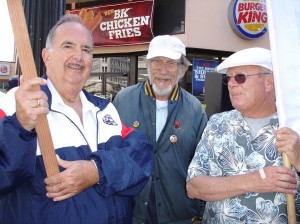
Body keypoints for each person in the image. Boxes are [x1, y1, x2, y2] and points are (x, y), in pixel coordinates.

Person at [0, 14, 153, 224]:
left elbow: (141, 157)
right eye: (68, 46)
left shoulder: (105, 109)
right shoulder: (13, 105)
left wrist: (97, 171)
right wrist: (20, 127)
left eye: (86, 49)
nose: (78, 56)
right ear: (46, 56)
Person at [186, 47, 300, 223]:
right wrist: (252, 181)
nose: (231, 83)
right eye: (229, 78)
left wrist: (298, 158)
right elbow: (193, 187)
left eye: (240, 77)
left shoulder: (293, 125)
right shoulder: (218, 124)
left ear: (269, 82)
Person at [113, 35, 208, 223]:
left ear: (182, 70)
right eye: (157, 62)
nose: (163, 71)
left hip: (178, 214)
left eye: (171, 63)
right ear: (147, 66)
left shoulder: (194, 109)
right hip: (131, 212)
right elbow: (111, 153)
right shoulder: (123, 100)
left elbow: (204, 165)